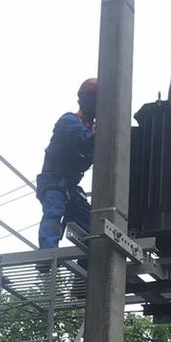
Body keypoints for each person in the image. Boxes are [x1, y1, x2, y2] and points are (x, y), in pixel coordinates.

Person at [36, 78, 98, 250]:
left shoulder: (91, 129)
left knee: (90, 223)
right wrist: (103, 132)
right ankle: (47, 255)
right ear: (84, 100)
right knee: (54, 211)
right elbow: (85, 139)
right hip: (53, 182)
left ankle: (87, 262)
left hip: (70, 187)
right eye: (93, 100)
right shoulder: (69, 121)